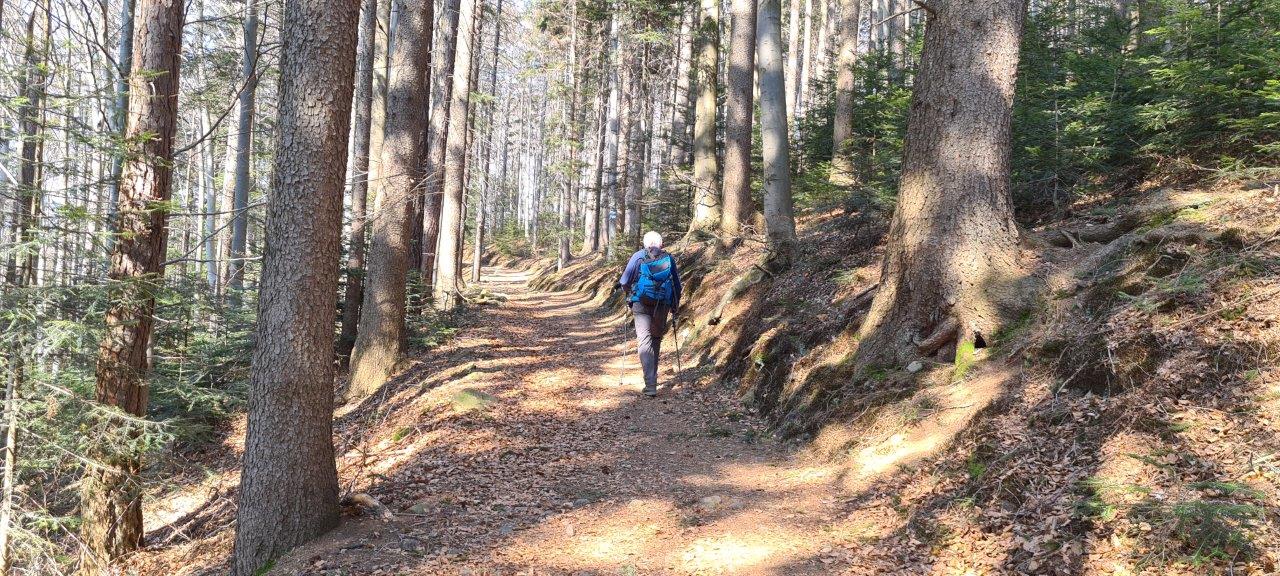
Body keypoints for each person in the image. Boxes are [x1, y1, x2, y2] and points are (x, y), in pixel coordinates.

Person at [615, 231, 683, 397]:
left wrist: (629, 292)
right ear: (661, 244)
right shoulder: (668, 258)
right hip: (663, 303)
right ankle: (653, 379)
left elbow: (624, 281)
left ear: (646, 244)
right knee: (656, 339)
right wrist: (674, 305)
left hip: (641, 303)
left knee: (644, 339)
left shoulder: (638, 256)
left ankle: (650, 383)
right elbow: (676, 285)